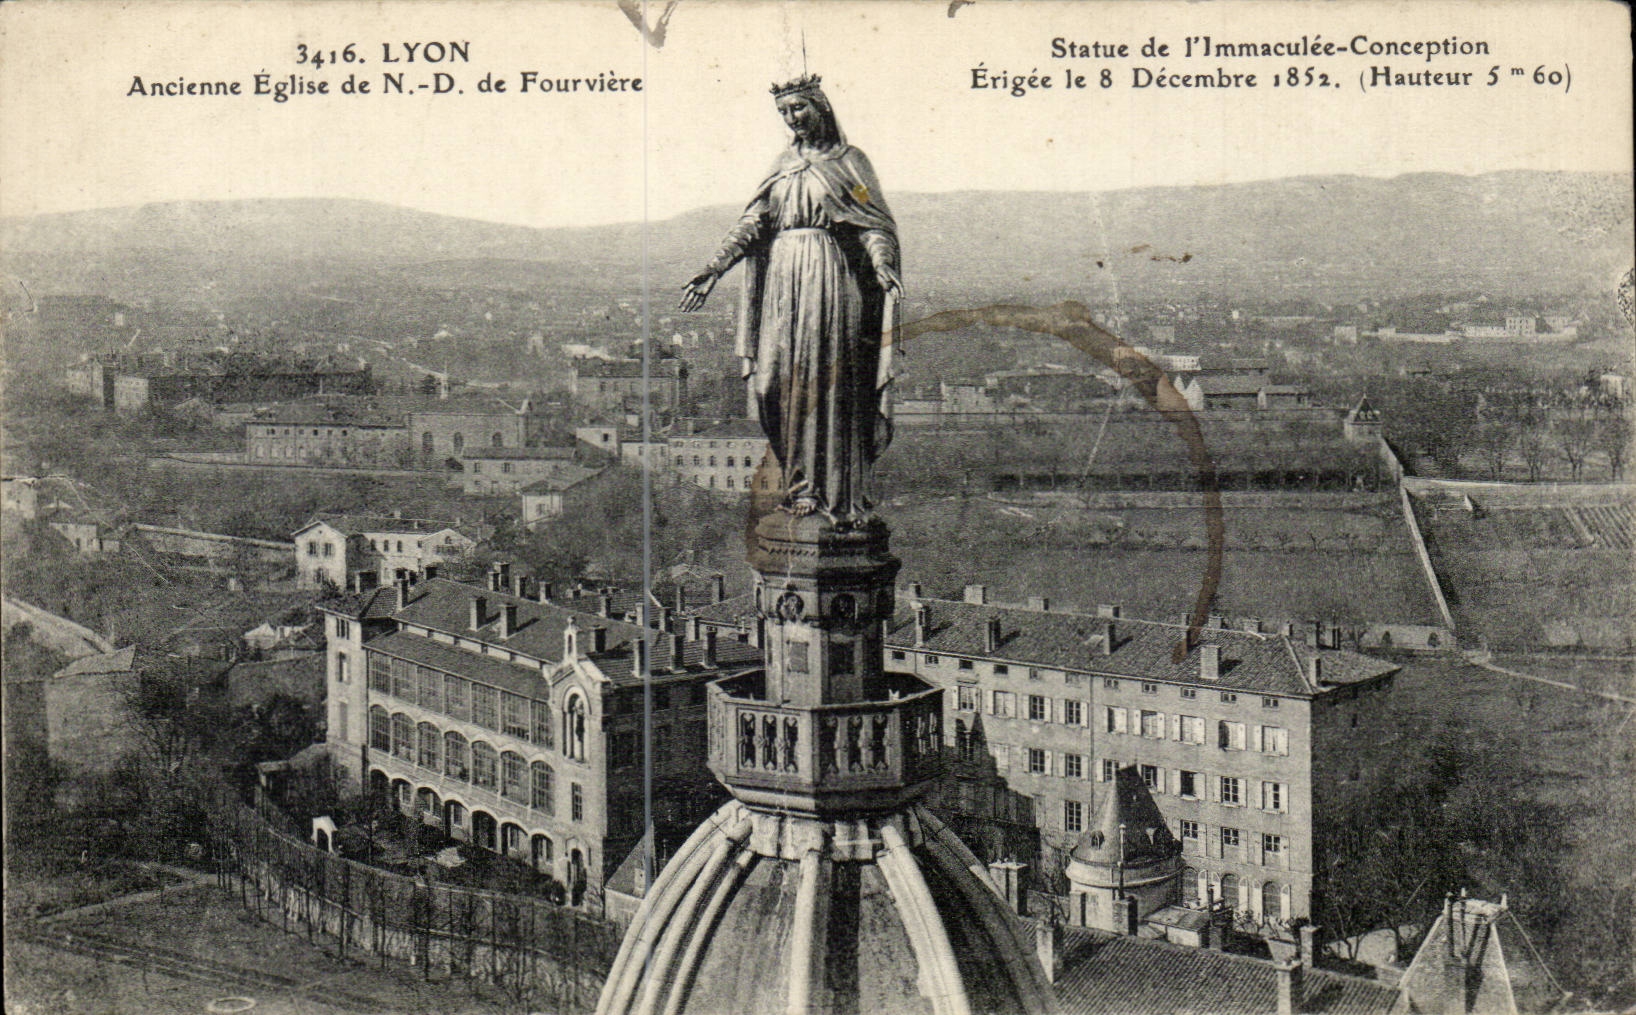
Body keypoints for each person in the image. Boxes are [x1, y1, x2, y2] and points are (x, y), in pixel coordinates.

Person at [680, 75, 901, 523]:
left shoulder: (849, 163)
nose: (792, 118)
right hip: (782, 285)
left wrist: (881, 262)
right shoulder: (782, 165)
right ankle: (799, 478)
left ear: (820, 106)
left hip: (830, 281)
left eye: (798, 108)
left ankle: (826, 491)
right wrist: (714, 268)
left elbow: (872, 221)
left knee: (828, 385)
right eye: (784, 112)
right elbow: (752, 224)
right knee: (771, 386)